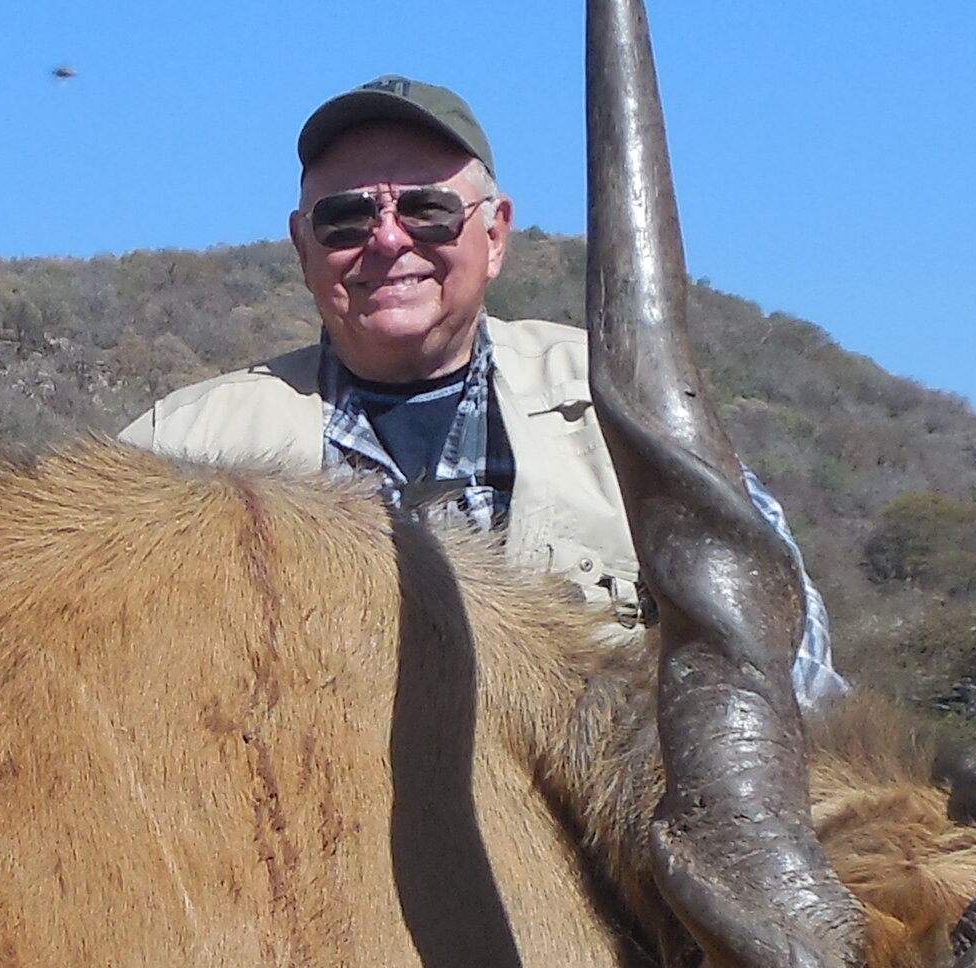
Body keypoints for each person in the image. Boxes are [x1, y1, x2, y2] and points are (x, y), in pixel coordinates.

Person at [120, 75, 839, 696]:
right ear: (302, 245)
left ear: (494, 235)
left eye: (426, 210)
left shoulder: (626, 401)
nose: (389, 241)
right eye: (345, 219)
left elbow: (789, 663)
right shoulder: (173, 449)